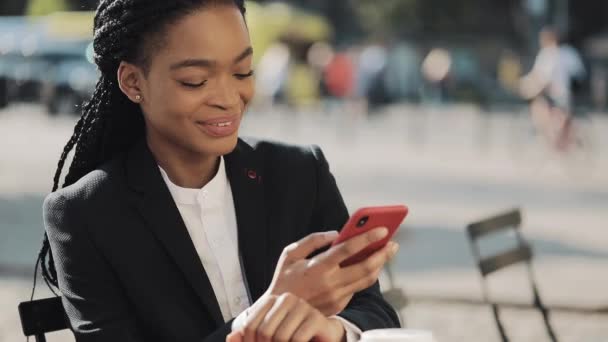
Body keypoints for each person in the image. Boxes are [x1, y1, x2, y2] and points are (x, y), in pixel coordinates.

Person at [38, 1, 401, 341]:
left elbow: (374, 312)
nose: (228, 98)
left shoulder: (300, 173)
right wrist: (259, 320)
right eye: (196, 80)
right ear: (134, 82)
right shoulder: (84, 214)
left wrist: (332, 330)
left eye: (243, 71)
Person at [519, 27, 586, 150]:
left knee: (546, 111)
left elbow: (541, 78)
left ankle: (559, 140)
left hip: (560, 94)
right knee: (552, 113)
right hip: (563, 93)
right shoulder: (564, 52)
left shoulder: (551, 54)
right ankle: (560, 138)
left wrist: (526, 86)